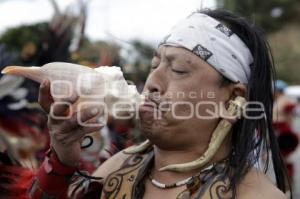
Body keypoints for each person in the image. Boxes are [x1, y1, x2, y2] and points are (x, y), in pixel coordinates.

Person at [27, 9, 290, 199]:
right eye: (155, 65)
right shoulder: (117, 169)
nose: (152, 81)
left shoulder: (256, 194)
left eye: (177, 70)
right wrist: (61, 158)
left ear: (231, 98)